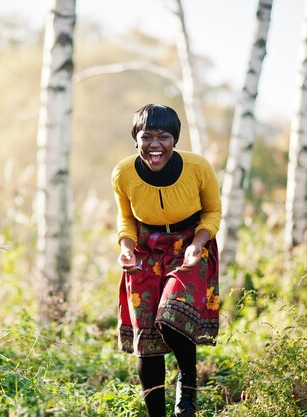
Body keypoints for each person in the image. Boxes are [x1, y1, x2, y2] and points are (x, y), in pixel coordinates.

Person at [111, 104, 221, 417]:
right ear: (136, 139)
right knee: (147, 338)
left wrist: (198, 244)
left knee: (172, 318)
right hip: (145, 249)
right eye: (147, 136)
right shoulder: (123, 172)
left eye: (164, 136)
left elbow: (213, 211)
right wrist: (127, 247)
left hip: (190, 245)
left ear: (175, 140)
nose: (155, 144)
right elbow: (125, 217)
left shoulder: (198, 167)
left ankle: (187, 388)